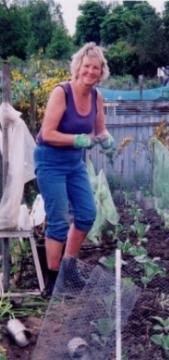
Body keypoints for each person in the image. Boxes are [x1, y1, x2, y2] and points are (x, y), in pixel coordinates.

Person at [34, 42, 114, 297]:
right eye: (87, 66)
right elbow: (47, 134)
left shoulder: (96, 96)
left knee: (87, 214)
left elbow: (99, 129)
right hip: (50, 161)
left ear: (101, 72)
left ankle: (69, 271)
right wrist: (77, 139)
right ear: (78, 67)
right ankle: (53, 282)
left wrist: (107, 140)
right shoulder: (62, 92)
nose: (91, 72)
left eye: (96, 68)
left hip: (73, 163)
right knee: (58, 221)